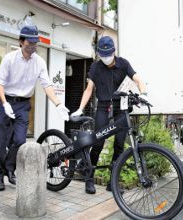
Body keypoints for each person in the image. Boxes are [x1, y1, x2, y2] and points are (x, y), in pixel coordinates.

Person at [0, 25, 69, 191]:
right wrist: (5, 103)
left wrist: (58, 104)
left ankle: (9, 167)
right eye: (30, 43)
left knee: (20, 140)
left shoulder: (39, 61)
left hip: (23, 104)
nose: (33, 46)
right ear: (21, 42)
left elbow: (47, 85)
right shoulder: (10, 58)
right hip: (4, 101)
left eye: (36, 43)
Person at [70, 36, 147, 194]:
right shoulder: (96, 67)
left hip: (121, 108)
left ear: (114, 52)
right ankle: (89, 179)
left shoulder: (123, 64)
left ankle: (113, 182)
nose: (105, 58)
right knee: (98, 142)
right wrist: (80, 108)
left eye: (108, 54)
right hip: (104, 107)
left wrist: (143, 93)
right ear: (99, 54)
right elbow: (89, 89)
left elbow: (138, 79)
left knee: (119, 145)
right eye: (102, 55)